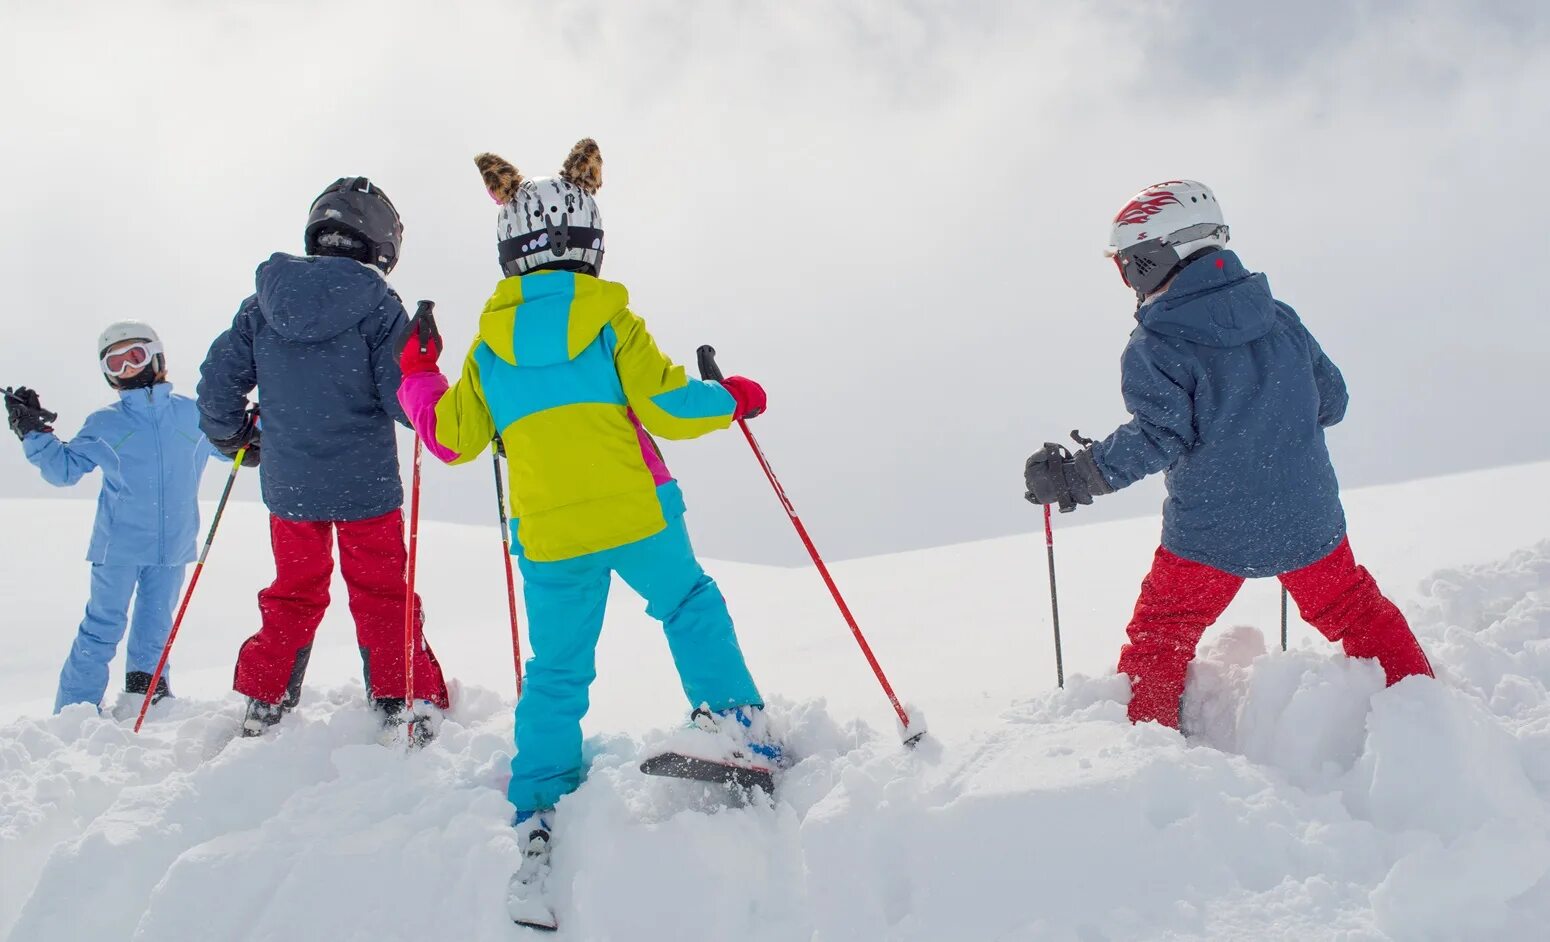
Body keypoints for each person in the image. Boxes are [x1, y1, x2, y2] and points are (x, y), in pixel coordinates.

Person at [394, 139, 781, 901]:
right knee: (688, 604)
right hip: (637, 510)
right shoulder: (610, 320)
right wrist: (733, 395)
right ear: (591, 241)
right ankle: (736, 725)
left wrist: (419, 375)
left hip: (550, 533)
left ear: (510, 248)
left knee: (557, 669)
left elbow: (450, 438)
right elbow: (669, 405)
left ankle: (540, 787)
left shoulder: (489, 347)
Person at [1024, 180, 1433, 729]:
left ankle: (1147, 747)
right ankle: (1425, 709)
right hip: (1306, 520)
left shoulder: (1157, 345)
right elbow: (1331, 401)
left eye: (1127, 266)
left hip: (1211, 534)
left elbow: (1156, 438)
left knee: (1163, 632)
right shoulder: (1281, 319)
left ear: (1154, 260)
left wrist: (1077, 476)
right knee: (1355, 609)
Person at [197, 176, 449, 741]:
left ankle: (266, 698)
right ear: (381, 242)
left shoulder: (260, 306)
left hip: (291, 492)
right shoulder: (380, 309)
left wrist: (235, 437)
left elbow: (218, 387)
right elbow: (402, 399)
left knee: (294, 588)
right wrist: (426, 368)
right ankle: (400, 693)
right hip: (367, 491)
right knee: (382, 589)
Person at [6, 322, 219, 714]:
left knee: (155, 629)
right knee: (102, 628)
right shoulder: (105, 423)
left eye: (133, 356)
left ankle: (146, 698)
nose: (127, 369)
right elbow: (64, 471)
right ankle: (76, 710)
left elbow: (233, 444)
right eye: (115, 363)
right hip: (118, 545)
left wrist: (252, 430)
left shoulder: (193, 415)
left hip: (173, 545)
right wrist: (34, 433)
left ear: (156, 356)